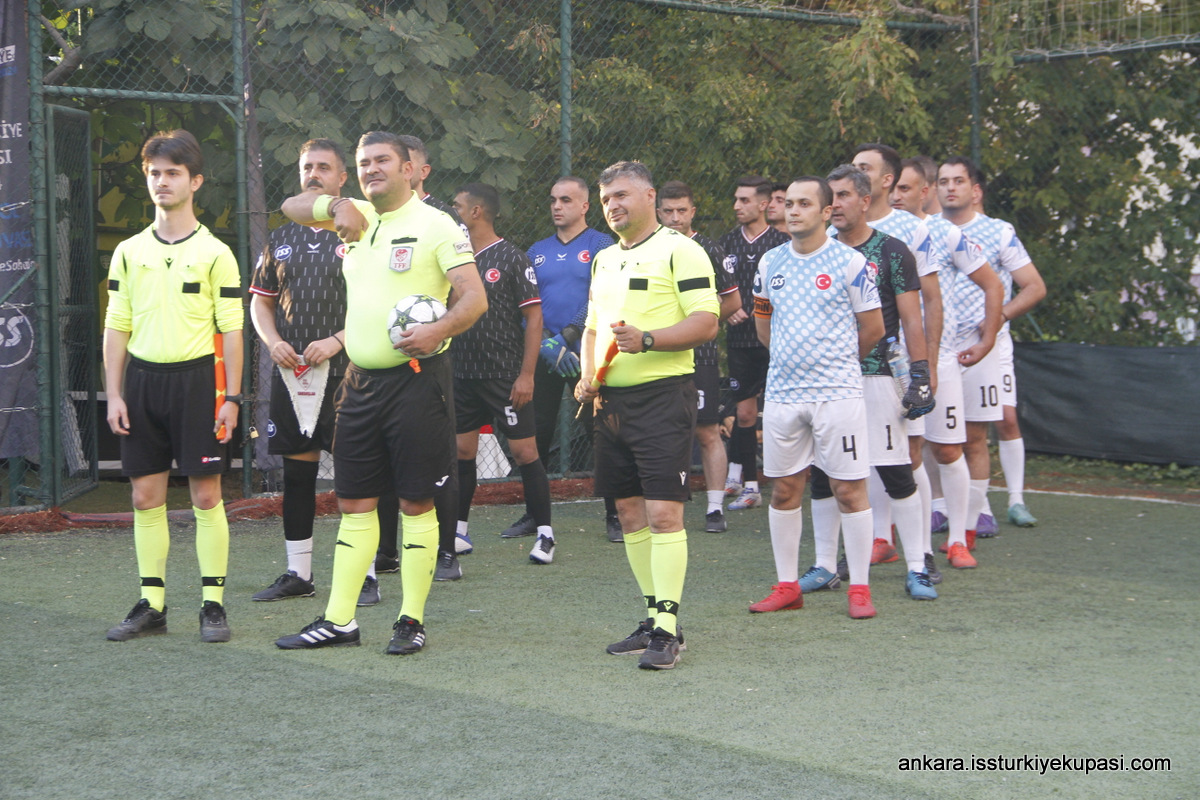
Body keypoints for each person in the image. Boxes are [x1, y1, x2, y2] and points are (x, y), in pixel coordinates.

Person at [274, 131, 487, 654]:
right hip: (359, 383)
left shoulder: (437, 225)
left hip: (418, 381)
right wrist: (336, 204)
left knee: (415, 503)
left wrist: (438, 330)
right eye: (364, 161)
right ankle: (339, 621)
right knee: (353, 503)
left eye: (383, 160)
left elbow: (474, 297)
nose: (372, 168)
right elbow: (290, 206)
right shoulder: (357, 218)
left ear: (409, 169)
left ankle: (410, 620)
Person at [103, 129, 243, 643]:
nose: (162, 182)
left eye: (173, 173)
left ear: (195, 181)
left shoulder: (216, 253)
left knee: (206, 495)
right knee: (144, 496)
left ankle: (213, 605)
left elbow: (233, 330)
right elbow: (117, 324)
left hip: (198, 385)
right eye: (154, 173)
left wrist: (232, 398)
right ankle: (153, 605)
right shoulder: (128, 251)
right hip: (141, 384)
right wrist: (114, 393)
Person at [579, 161, 719, 670]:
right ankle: (654, 619)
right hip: (610, 404)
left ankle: (666, 631)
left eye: (621, 195)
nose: (612, 205)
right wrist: (588, 374)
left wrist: (650, 340)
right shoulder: (603, 259)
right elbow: (592, 327)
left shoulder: (682, 249)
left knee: (663, 515)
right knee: (630, 514)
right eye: (605, 199)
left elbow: (707, 321)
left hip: (663, 398)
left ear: (649, 196)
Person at [248, 138, 400, 606]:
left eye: (323, 167)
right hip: (294, 374)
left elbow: (379, 303)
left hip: (352, 372)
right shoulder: (283, 237)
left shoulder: (361, 229)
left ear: (342, 178)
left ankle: (367, 575)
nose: (313, 174)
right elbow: (261, 302)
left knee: (359, 478)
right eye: (307, 167)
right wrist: (273, 342)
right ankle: (299, 574)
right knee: (298, 475)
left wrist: (337, 341)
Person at [749, 176, 884, 619]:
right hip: (783, 395)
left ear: (826, 212)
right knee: (785, 489)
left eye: (804, 203)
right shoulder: (770, 261)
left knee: (849, 490)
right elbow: (763, 324)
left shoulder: (850, 262)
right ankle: (787, 586)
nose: (793, 210)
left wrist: (837, 365)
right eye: (789, 203)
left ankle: (859, 588)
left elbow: (874, 328)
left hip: (838, 396)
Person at [820, 164, 935, 600]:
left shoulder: (892, 251)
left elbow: (911, 318)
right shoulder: (817, 250)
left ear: (865, 201)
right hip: (827, 380)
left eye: (844, 195)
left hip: (878, 375)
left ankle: (918, 565)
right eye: (831, 196)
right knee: (825, 474)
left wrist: (921, 373)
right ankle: (826, 565)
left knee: (896, 472)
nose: (835, 204)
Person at [890, 156, 1004, 574]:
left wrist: (988, 339)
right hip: (890, 364)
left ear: (925, 192)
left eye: (905, 188)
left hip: (940, 359)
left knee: (948, 448)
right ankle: (902, 542)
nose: (896, 196)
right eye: (893, 188)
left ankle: (958, 538)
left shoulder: (945, 233)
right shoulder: (868, 234)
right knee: (900, 452)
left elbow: (993, 284)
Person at [937, 156, 1046, 566]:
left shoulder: (998, 232)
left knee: (977, 433)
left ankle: (977, 519)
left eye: (958, 181)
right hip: (937, 346)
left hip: (985, 346)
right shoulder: (926, 230)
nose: (950, 188)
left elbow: (1034, 287)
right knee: (934, 437)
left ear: (975, 190)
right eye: (943, 181)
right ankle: (940, 509)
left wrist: (997, 318)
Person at [449, 183, 554, 564]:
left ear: (476, 212)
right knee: (463, 451)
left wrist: (526, 375)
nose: (453, 212)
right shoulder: (454, 258)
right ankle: (458, 532)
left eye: (457, 206)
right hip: (462, 374)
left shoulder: (512, 258)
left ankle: (545, 535)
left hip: (504, 376)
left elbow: (534, 318)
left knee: (525, 452)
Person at [522, 176, 621, 542]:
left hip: (587, 354)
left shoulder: (602, 244)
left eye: (565, 200)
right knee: (537, 433)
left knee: (600, 433)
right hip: (546, 355)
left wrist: (567, 337)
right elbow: (527, 303)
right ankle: (534, 516)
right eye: (553, 199)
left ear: (584, 206)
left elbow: (601, 295)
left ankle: (615, 514)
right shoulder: (536, 250)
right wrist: (546, 344)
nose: (557, 206)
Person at [394, 133, 465, 582]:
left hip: (430, 361)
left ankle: (446, 551)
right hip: (378, 363)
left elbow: (465, 291)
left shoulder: (442, 221)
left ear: (421, 171)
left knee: (440, 461)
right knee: (382, 464)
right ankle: (385, 554)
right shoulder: (374, 219)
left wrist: (437, 329)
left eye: (408, 163)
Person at [656, 180, 741, 533]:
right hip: (658, 354)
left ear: (692, 212)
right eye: (668, 211)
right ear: (658, 212)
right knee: (662, 432)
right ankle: (665, 505)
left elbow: (733, 301)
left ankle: (715, 509)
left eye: (681, 211)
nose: (675, 218)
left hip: (700, 355)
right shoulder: (651, 247)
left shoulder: (708, 248)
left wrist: (700, 325)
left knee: (706, 431)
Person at [718, 176, 789, 511]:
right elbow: (715, 288)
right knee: (745, 413)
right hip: (740, 341)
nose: (737, 206)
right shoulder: (726, 242)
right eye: (736, 199)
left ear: (763, 204)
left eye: (745, 200)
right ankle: (749, 485)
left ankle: (787, 480)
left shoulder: (782, 243)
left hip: (777, 340)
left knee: (781, 413)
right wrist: (727, 309)